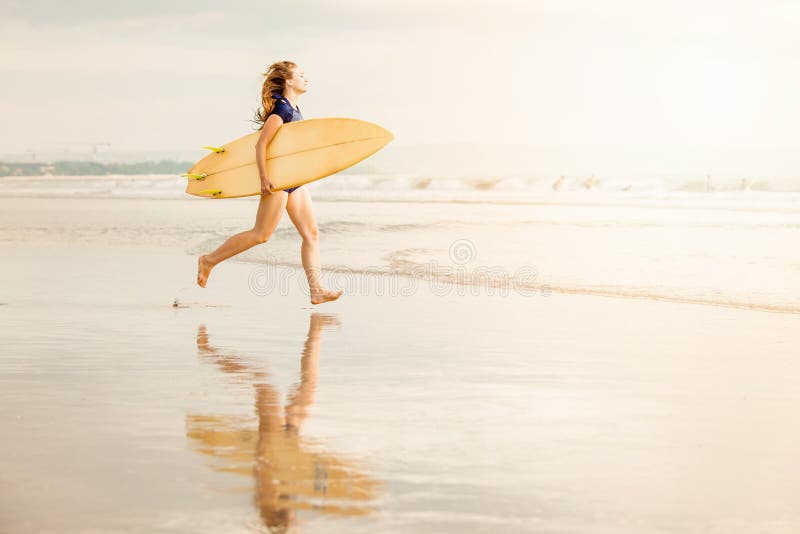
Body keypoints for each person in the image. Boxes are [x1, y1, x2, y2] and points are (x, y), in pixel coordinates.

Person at [196, 61, 343, 305]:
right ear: (289, 81)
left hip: (294, 180)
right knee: (261, 235)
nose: (306, 79)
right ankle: (208, 260)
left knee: (311, 233)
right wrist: (265, 178)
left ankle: (316, 290)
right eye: (301, 75)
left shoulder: (295, 108)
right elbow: (261, 145)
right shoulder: (282, 111)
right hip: (277, 180)